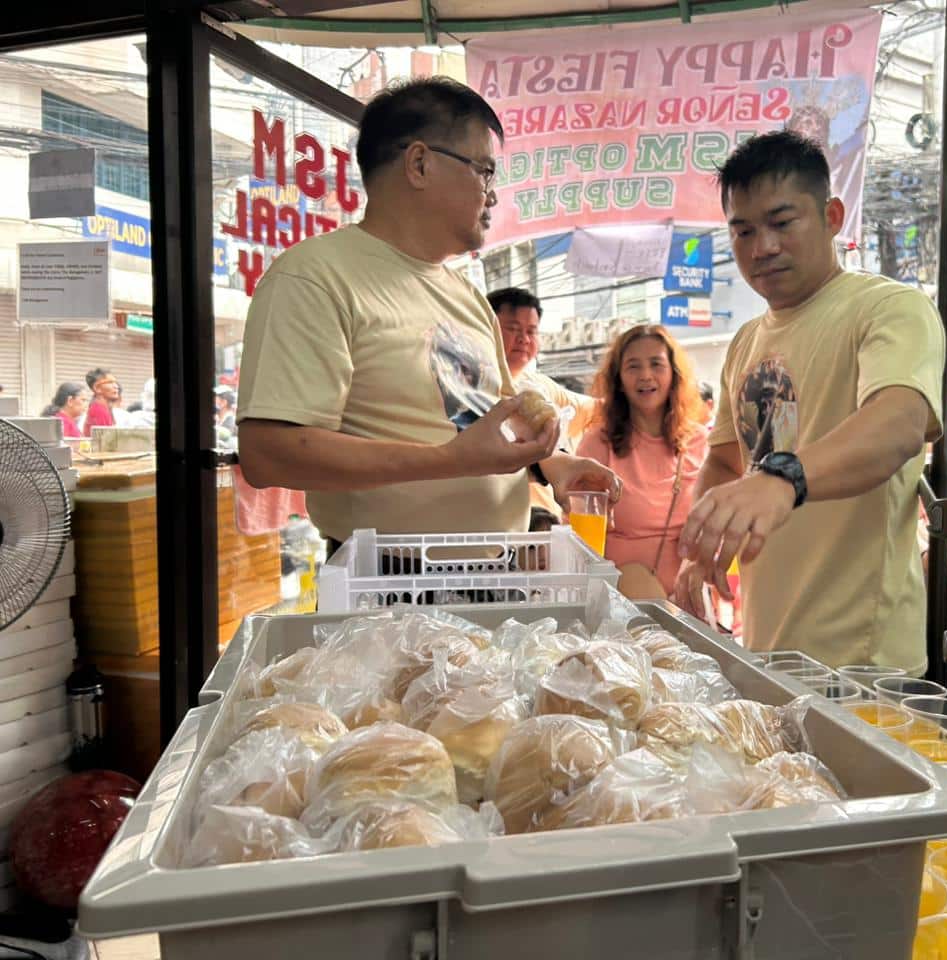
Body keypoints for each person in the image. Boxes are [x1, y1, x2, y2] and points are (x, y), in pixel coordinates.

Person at [236, 77, 617, 546]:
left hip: (496, 578)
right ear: (419, 163)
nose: (492, 194)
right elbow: (268, 453)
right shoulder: (315, 277)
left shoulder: (466, 295)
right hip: (387, 592)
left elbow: (495, 423)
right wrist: (453, 460)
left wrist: (557, 465)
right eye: (484, 170)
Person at [673, 131, 944, 674]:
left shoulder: (889, 309)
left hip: (863, 663)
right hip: (768, 644)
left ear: (832, 215)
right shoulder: (746, 340)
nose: (762, 247)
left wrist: (783, 479)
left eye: (781, 222)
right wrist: (704, 544)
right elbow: (728, 461)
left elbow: (897, 425)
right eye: (743, 230)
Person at [577, 325, 708, 598]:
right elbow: (580, 536)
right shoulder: (597, 443)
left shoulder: (700, 441)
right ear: (619, 380)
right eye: (633, 366)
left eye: (656, 364)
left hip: (691, 603)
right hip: (619, 603)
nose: (645, 376)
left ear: (674, 374)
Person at [486, 286, 599, 524]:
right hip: (494, 529)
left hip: (547, 528)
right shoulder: (469, 388)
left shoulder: (542, 387)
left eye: (531, 331)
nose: (524, 339)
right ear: (487, 328)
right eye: (513, 329)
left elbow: (597, 411)